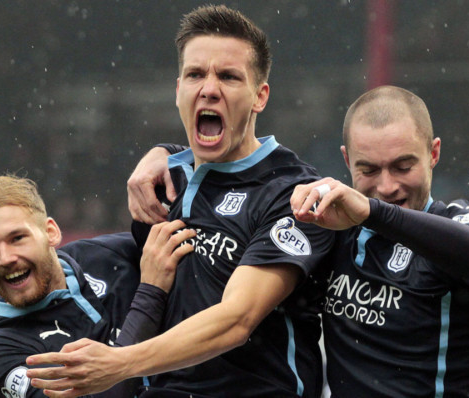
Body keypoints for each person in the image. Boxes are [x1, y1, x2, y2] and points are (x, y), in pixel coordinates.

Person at [26, 5, 334, 397]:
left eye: (228, 76)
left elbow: (236, 321)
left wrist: (119, 362)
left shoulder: (294, 194)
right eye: (195, 75)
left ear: (260, 97)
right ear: (178, 91)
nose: (208, 88)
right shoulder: (163, 181)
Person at [290, 85, 469, 397]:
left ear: (433, 153)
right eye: (368, 169)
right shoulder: (333, 232)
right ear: (346, 160)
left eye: (403, 167)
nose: (387, 186)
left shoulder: (455, 223)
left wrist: (373, 212)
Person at [0, 174, 194, 398]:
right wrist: (151, 292)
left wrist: (164, 153)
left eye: (17, 238)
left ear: (50, 232)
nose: (6, 258)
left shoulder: (108, 255)